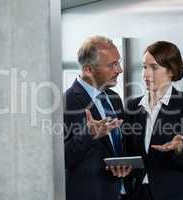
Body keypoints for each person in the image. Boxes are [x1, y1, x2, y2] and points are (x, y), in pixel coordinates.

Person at [123, 41, 183, 200]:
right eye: (144, 67)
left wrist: (179, 148)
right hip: (138, 194)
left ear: (171, 71)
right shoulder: (132, 106)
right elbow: (128, 153)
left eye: (154, 67)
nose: (146, 74)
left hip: (174, 194)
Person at [64, 36, 131, 200]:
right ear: (88, 69)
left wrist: (124, 163)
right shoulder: (65, 102)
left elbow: (119, 144)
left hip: (122, 192)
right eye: (112, 65)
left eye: (118, 62)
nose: (119, 70)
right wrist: (88, 134)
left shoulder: (114, 98)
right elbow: (59, 160)